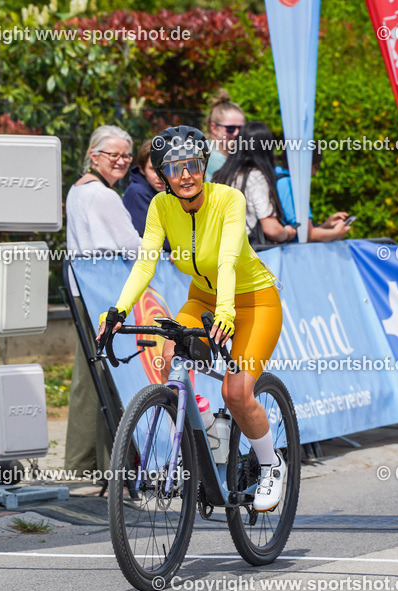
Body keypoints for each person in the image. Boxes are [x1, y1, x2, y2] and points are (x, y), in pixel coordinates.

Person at [96, 126, 288, 512]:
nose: (185, 174)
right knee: (170, 359)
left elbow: (230, 258)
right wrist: (118, 310)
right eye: (175, 167)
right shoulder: (161, 207)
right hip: (201, 298)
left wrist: (227, 312)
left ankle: (271, 464)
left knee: (235, 393)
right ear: (162, 175)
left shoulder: (228, 199)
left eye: (193, 165)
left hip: (252, 301)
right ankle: (203, 442)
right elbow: (145, 264)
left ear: (204, 166)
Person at [64, 125, 141, 479]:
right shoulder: (105, 197)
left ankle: (85, 463)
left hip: (84, 291)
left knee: (90, 378)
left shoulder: (77, 190)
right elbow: (133, 246)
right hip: (105, 294)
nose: (122, 161)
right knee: (113, 377)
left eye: (126, 155)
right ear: (94, 155)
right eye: (114, 155)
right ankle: (113, 467)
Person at [213, 122, 298, 245]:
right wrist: (287, 233)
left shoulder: (221, 175)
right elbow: (271, 229)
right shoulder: (255, 176)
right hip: (248, 252)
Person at [275, 149, 351, 242]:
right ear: (305, 163)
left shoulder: (277, 177)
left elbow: (300, 231)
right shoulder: (288, 183)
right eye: (316, 166)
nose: (315, 173)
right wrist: (336, 233)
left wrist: (325, 225)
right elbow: (308, 235)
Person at [122, 140, 165, 238]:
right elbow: (153, 236)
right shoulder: (137, 192)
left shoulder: (170, 192)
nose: (160, 176)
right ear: (142, 169)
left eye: (165, 168)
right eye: (153, 169)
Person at [204, 89, 245, 179]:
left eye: (241, 128)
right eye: (230, 128)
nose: (237, 133)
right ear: (214, 128)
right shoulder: (210, 157)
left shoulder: (235, 155)